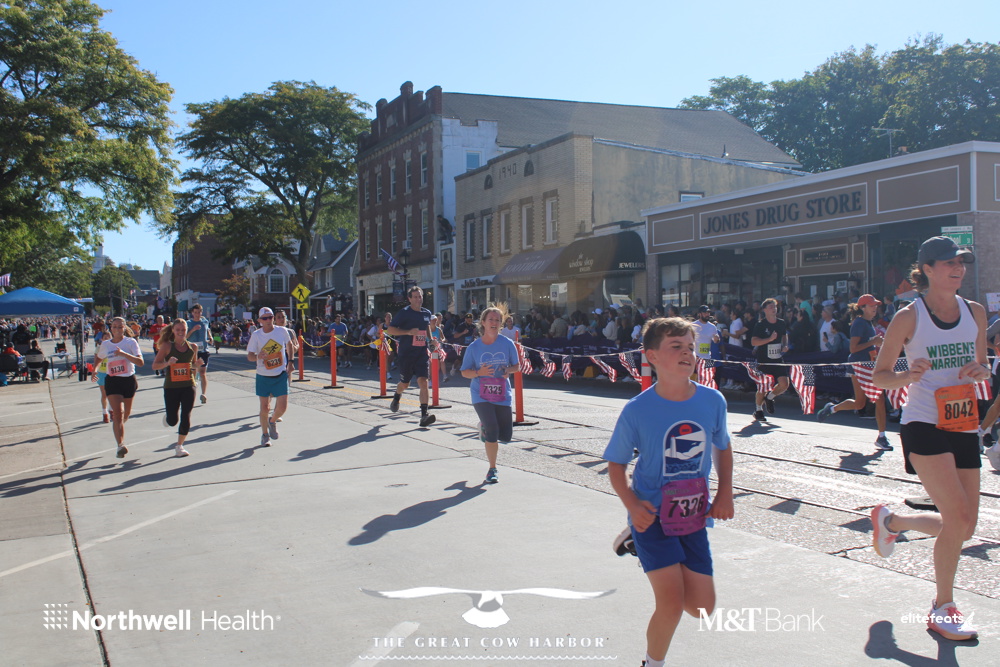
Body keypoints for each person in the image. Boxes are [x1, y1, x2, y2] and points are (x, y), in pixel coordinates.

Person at [870, 236, 986, 641]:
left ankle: (893, 521)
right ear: (928, 270)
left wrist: (981, 371)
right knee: (957, 518)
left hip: (964, 423)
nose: (958, 269)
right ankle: (943, 607)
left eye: (962, 263)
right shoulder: (909, 316)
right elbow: (880, 376)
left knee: (965, 526)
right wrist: (907, 375)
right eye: (949, 263)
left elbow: (982, 364)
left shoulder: (975, 311)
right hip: (923, 423)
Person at [603, 317, 734, 666]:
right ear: (652, 357)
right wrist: (633, 505)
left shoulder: (713, 401)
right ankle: (652, 662)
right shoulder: (637, 410)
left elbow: (722, 447)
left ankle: (632, 542)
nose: (687, 353)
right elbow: (616, 464)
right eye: (676, 347)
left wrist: (725, 493)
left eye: (690, 347)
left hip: (693, 515)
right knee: (671, 603)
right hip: (651, 516)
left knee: (701, 608)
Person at [816, 295, 891, 450]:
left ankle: (832, 408)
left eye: (876, 305)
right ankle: (882, 436)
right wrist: (874, 342)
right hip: (858, 366)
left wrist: (877, 347)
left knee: (865, 402)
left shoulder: (868, 323)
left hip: (869, 365)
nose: (875, 308)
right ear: (862, 308)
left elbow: (868, 345)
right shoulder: (859, 323)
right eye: (872, 306)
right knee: (871, 400)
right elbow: (853, 348)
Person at [460, 305, 521, 484]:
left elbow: (517, 366)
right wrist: (479, 372)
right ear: (483, 323)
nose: (494, 323)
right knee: (493, 430)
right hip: (481, 393)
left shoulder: (507, 344)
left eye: (497, 320)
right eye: (490, 319)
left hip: (502, 393)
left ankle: (483, 428)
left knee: (505, 436)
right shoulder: (474, 347)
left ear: (501, 324)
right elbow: (464, 372)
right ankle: (492, 469)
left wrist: (507, 370)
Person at [151, 319, 203, 457]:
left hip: (188, 385)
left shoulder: (193, 347)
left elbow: (192, 366)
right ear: (173, 330)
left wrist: (197, 365)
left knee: (186, 415)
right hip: (171, 387)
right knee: (173, 421)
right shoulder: (167, 346)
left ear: (187, 331)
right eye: (178, 330)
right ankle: (169, 417)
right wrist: (167, 363)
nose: (181, 332)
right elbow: (155, 365)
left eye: (183, 330)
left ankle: (180, 446)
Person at [386, 287, 437, 427]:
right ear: (409, 299)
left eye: (420, 296)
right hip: (406, 354)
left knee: (423, 382)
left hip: (421, 353)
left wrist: (431, 340)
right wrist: (408, 332)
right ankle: (397, 395)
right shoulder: (404, 313)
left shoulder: (426, 313)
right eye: (415, 297)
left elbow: (426, 327)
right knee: (405, 384)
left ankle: (424, 415)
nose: (418, 299)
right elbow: (390, 329)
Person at [94, 317, 144, 458]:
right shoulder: (106, 344)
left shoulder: (130, 342)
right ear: (111, 328)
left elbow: (140, 362)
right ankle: (120, 445)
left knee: (125, 414)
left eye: (120, 327)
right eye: (114, 327)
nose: (117, 329)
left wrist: (123, 354)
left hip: (128, 380)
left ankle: (119, 427)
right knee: (118, 413)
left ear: (124, 328)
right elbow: (99, 357)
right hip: (113, 380)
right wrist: (95, 369)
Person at [246, 307, 295, 447]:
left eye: (271, 317)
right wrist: (258, 356)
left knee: (282, 407)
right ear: (260, 320)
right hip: (263, 375)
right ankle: (265, 435)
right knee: (264, 408)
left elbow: (289, 345)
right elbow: (249, 356)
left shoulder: (282, 331)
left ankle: (272, 421)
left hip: (280, 374)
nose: (269, 320)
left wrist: (291, 362)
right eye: (265, 318)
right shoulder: (256, 335)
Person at [750, 298, 790, 421]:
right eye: (771, 307)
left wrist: (785, 345)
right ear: (765, 310)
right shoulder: (761, 325)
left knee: (784, 384)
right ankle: (758, 410)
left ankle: (769, 397)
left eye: (775, 307)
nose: (774, 309)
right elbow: (753, 342)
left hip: (777, 358)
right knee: (763, 387)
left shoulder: (781, 323)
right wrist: (769, 339)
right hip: (764, 360)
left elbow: (784, 336)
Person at [186, 304, 210, 405]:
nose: (197, 314)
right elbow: (185, 337)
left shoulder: (205, 322)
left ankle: (203, 394)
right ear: (192, 313)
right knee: (194, 373)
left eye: (199, 312)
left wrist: (210, 337)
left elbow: (208, 330)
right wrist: (193, 330)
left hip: (203, 350)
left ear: (201, 312)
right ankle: (192, 394)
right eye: (195, 312)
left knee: (203, 373)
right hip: (192, 351)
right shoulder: (188, 323)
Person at [274, 310, 299, 387]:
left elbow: (297, 345)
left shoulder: (290, 332)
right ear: (274, 320)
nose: (281, 319)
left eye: (283, 317)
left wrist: (292, 348)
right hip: (275, 360)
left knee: (286, 384)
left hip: (287, 359)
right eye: (279, 317)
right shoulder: (272, 331)